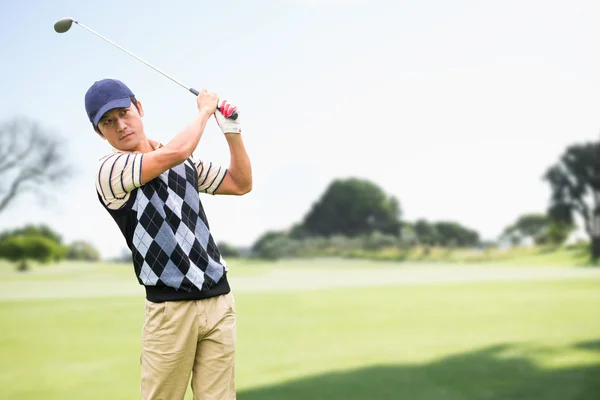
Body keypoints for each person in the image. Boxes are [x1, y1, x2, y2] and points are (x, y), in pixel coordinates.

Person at [85, 78, 252, 400]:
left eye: (124, 113)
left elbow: (240, 183)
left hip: (218, 301)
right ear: (99, 132)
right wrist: (205, 111)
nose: (120, 125)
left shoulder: (183, 161)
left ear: (140, 108)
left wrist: (232, 132)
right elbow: (176, 152)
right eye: (108, 121)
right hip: (169, 311)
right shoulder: (111, 169)